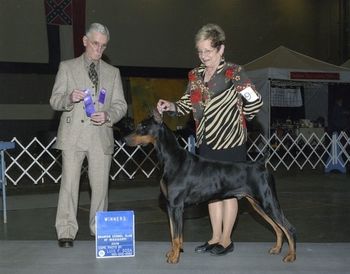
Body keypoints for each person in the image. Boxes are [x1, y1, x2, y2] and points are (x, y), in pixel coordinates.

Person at [157, 23, 263, 256]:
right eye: (200, 51)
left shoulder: (234, 72)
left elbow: (255, 101)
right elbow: (186, 103)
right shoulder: (195, 76)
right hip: (206, 141)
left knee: (230, 191)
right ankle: (214, 237)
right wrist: (171, 105)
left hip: (231, 142)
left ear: (220, 49)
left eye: (208, 51)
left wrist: (237, 118)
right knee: (211, 192)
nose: (203, 56)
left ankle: (226, 239)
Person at [50, 23, 127, 248]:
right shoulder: (67, 67)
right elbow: (54, 100)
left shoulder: (113, 73)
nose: (99, 50)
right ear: (85, 41)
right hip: (73, 135)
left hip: (100, 136)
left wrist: (108, 115)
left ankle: (100, 230)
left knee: (101, 187)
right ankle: (65, 231)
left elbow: (121, 105)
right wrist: (68, 98)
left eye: (103, 46)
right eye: (95, 44)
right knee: (69, 186)